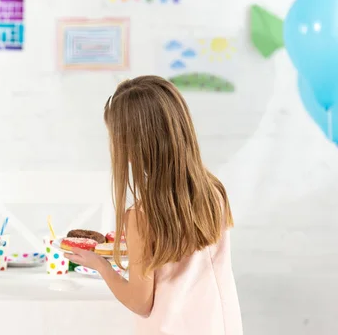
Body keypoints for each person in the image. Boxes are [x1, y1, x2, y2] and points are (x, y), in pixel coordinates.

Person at [65, 76, 243, 335]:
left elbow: (140, 302)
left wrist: (101, 265)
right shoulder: (214, 192)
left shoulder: (141, 216)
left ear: (133, 146)